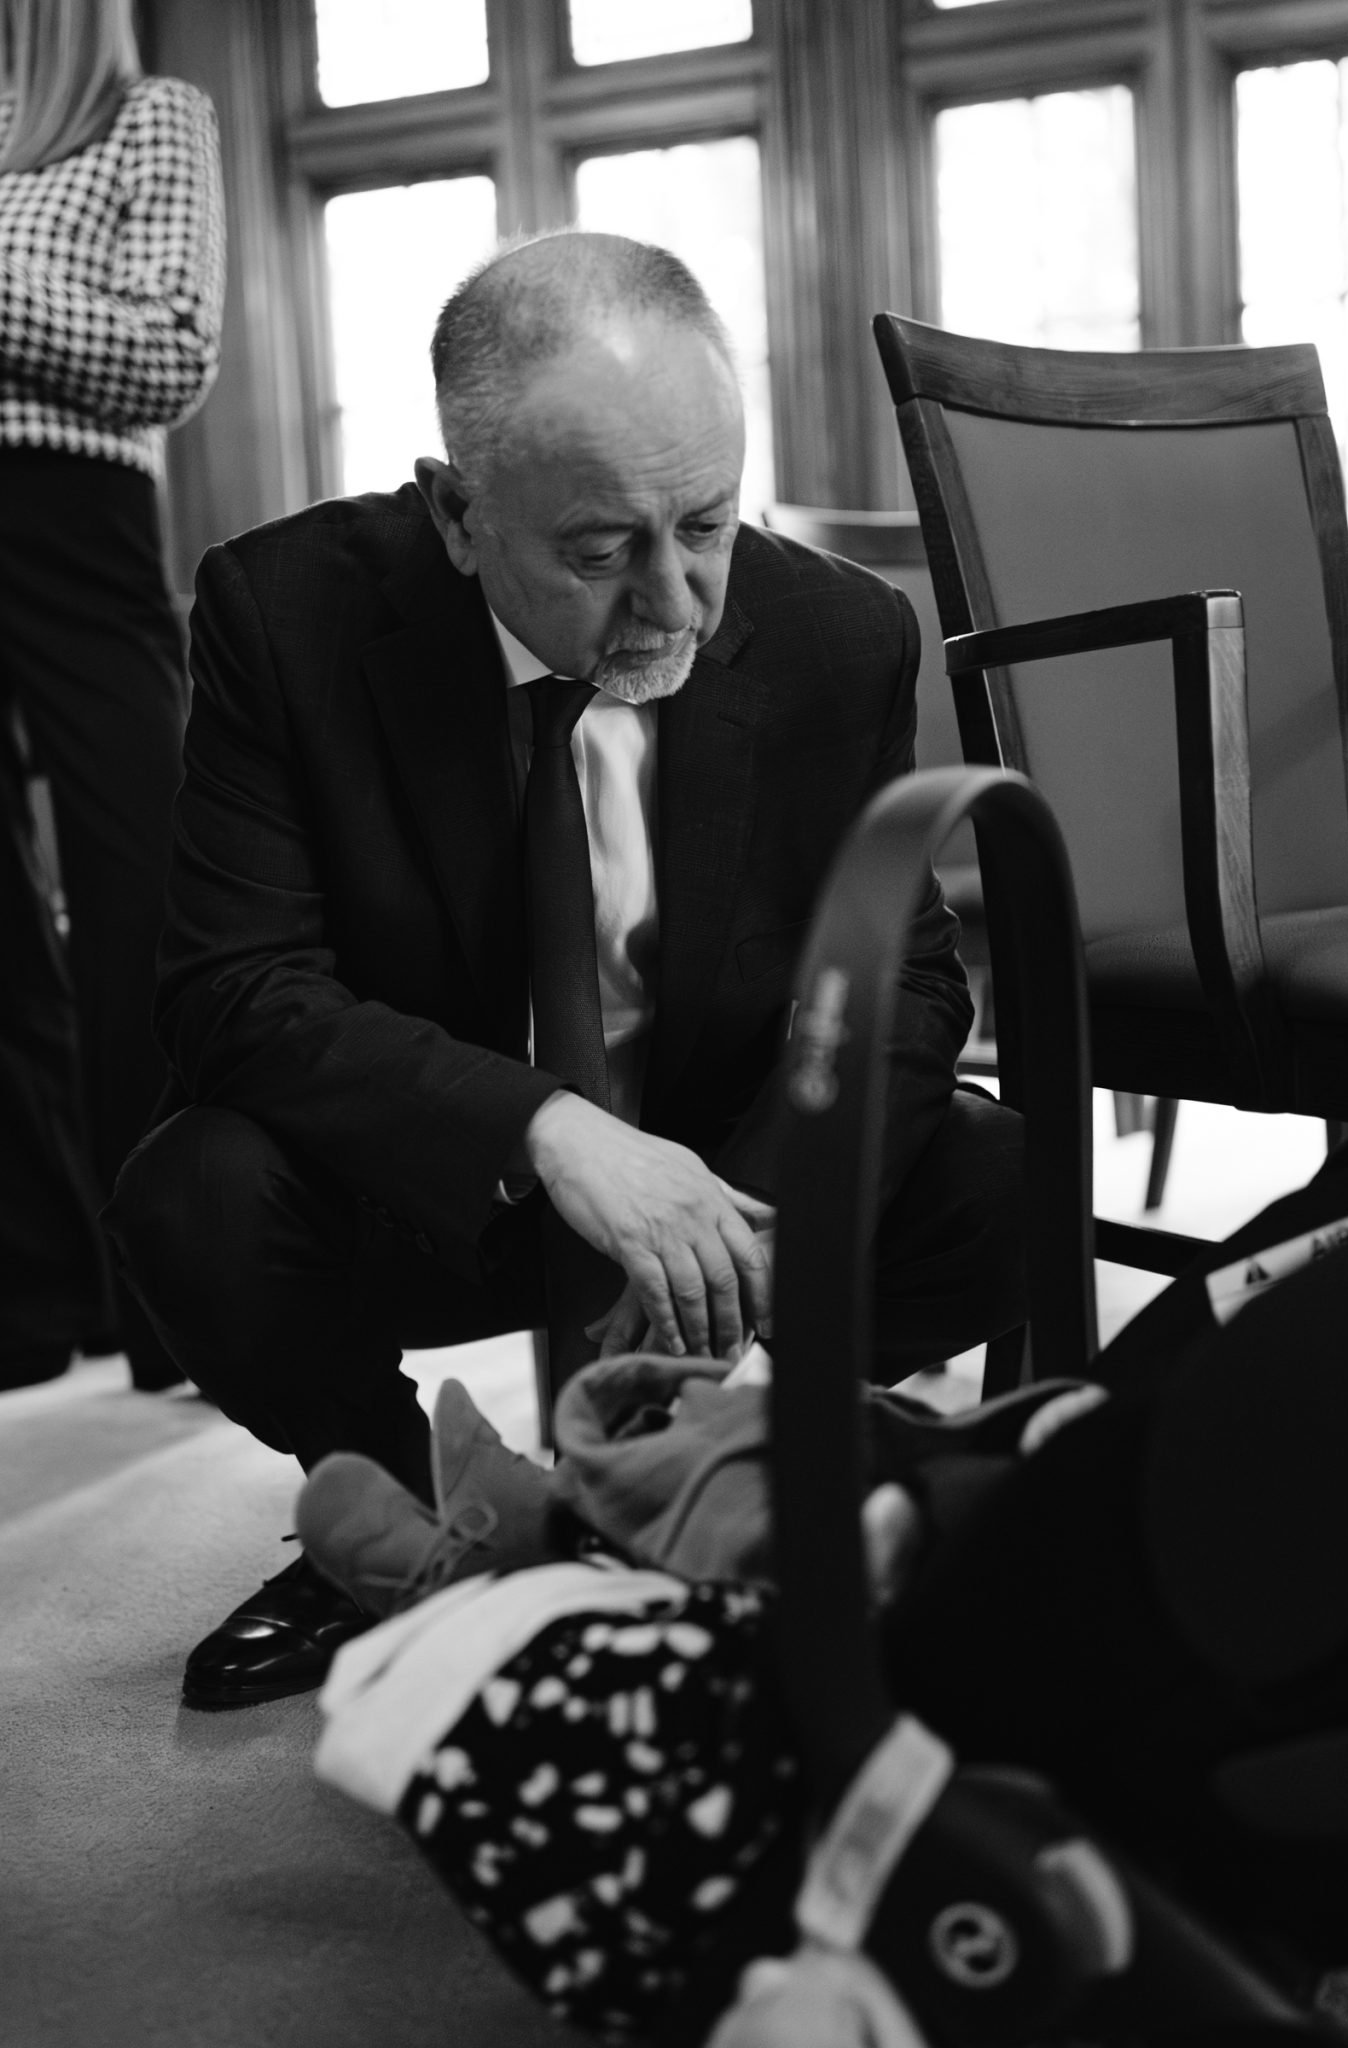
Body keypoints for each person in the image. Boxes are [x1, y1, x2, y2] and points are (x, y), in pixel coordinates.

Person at [106, 229, 1024, 1711]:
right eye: (600, 553)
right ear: (457, 514)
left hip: (717, 1151)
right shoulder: (282, 614)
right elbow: (235, 991)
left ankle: (693, 1479)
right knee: (189, 1195)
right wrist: (552, 1131)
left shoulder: (840, 634)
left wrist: (740, 1214)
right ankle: (426, 1516)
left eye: (707, 524)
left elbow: (907, 985)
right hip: (438, 1184)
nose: (676, 602)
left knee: (991, 1178)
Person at [0, 0, 225, 1390]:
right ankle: (34, 1298)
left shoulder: (154, 118)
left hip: (78, 515)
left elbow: (170, 352)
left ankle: (170, 1292)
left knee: (141, 887)